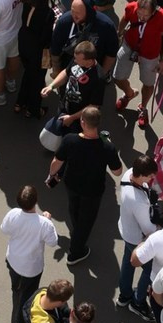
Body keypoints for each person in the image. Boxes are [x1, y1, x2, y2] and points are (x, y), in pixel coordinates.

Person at [46, 104, 123, 265]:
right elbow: (117, 172)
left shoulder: (70, 140)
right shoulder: (107, 146)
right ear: (98, 123)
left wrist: (52, 175)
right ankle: (75, 252)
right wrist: (109, 146)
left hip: (71, 184)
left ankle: (77, 233)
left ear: (82, 122)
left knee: (74, 209)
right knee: (86, 220)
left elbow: (56, 161)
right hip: (93, 190)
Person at [1, 184, 60, 323]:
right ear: (36, 201)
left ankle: (15, 288)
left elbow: (4, 229)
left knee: (15, 280)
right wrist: (48, 220)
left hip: (13, 259)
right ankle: (21, 321)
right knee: (28, 295)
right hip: (31, 267)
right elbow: (53, 242)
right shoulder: (44, 224)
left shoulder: (13, 213)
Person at [113, 0, 163, 125]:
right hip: (129, 45)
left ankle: (143, 107)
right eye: (139, 14)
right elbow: (125, 18)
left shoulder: (162, 16)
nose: (141, 17)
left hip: (150, 53)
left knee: (148, 83)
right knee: (117, 77)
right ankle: (129, 93)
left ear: (154, 12)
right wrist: (119, 32)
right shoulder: (131, 7)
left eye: (146, 15)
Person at [116, 154, 159, 318]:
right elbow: (149, 228)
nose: (152, 178)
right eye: (150, 176)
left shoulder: (128, 175)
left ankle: (125, 295)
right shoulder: (138, 201)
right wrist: (161, 226)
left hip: (127, 232)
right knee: (150, 269)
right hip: (138, 239)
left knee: (127, 263)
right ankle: (138, 301)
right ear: (141, 175)